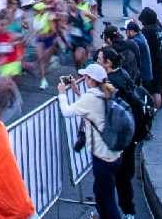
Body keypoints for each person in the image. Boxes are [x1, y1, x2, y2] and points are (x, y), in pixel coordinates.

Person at [57, 64, 122, 219]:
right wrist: (76, 91)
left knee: (107, 199)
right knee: (102, 193)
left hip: (102, 157)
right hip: (114, 154)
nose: (84, 79)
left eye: (86, 77)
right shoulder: (106, 92)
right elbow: (91, 109)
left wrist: (62, 94)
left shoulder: (91, 97)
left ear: (92, 80)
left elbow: (67, 112)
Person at [97, 47, 141, 219]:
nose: (97, 61)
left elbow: (102, 108)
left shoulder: (112, 83)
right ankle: (128, 211)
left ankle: (115, 213)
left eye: (99, 59)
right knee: (123, 178)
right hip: (130, 134)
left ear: (107, 63)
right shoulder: (122, 74)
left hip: (118, 138)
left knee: (112, 180)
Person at [137, 8, 162, 107]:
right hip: (161, 59)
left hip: (154, 62)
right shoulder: (158, 27)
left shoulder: (147, 30)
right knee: (159, 86)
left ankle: (156, 109)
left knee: (155, 88)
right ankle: (161, 105)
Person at [124, 22, 153, 89]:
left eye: (126, 31)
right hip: (146, 73)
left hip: (143, 75)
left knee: (144, 96)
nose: (126, 33)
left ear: (131, 31)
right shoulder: (140, 36)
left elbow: (125, 44)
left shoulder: (136, 41)